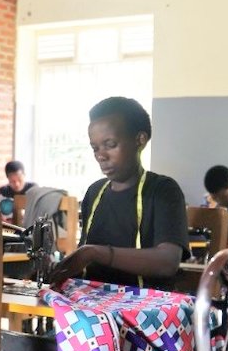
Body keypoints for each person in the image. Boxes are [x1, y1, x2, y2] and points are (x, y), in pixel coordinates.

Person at [48, 97, 189, 291]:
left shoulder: (163, 190)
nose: (101, 155)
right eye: (95, 148)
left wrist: (94, 253)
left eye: (110, 144)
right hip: (94, 305)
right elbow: (86, 267)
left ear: (140, 139)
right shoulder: (95, 193)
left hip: (144, 313)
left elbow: (167, 262)